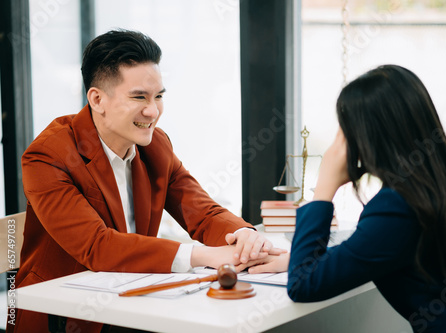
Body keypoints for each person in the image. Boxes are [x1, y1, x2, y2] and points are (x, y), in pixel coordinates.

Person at [9, 29, 283, 333]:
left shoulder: (154, 145)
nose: (153, 111)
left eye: (159, 96)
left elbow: (201, 211)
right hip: (62, 316)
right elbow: (97, 246)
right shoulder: (48, 155)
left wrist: (243, 237)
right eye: (139, 97)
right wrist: (207, 255)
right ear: (97, 99)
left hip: (133, 301)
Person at [246, 65, 446, 332]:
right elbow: (374, 246)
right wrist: (297, 259)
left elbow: (303, 285)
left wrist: (324, 186)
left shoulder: (398, 205)